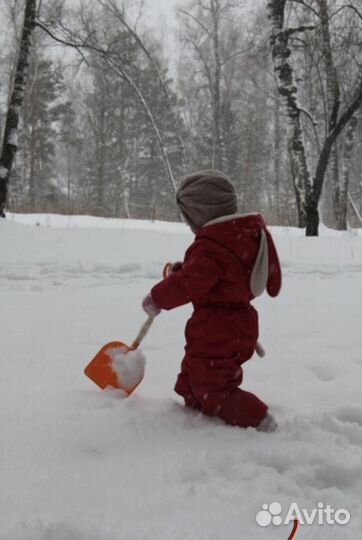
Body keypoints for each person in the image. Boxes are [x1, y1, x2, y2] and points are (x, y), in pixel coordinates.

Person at [142, 170, 282, 432]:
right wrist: (186, 269)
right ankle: (199, 410)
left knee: (215, 387)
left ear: (201, 214)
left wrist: (157, 297)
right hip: (232, 323)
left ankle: (257, 419)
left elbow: (191, 283)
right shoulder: (242, 235)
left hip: (219, 327)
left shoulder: (212, 246)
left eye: (189, 219)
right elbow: (224, 274)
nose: (189, 226)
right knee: (194, 374)